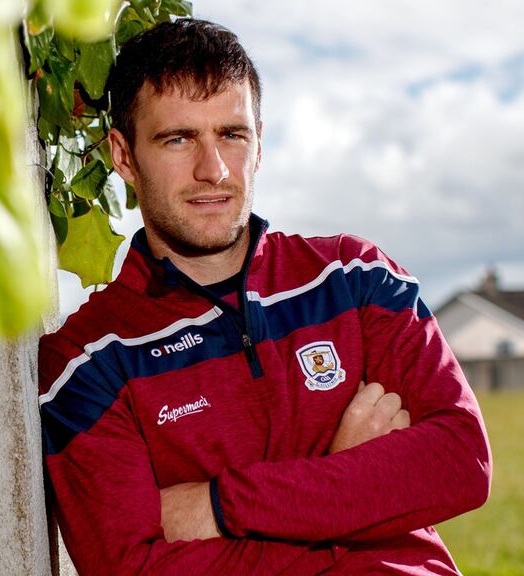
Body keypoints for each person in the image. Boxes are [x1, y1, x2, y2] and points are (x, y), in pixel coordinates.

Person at [38, 18, 491, 575]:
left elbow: (460, 460)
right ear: (124, 156)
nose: (215, 170)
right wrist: (349, 485)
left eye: (233, 134)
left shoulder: (355, 279)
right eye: (178, 139)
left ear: (260, 143)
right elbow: (133, 567)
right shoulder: (86, 361)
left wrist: (219, 505)